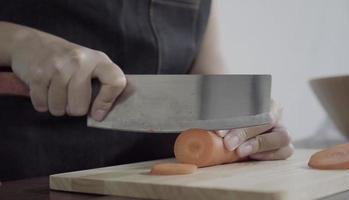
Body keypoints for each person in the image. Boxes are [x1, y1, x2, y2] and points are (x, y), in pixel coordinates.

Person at [0, 0, 293, 181]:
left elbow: (208, 78)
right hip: (24, 179)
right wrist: (18, 41)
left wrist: (245, 126)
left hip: (158, 183)